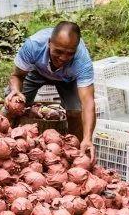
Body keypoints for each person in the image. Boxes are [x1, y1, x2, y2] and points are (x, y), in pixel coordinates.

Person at [6, 21, 97, 163]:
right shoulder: (34, 45)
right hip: (36, 71)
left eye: (69, 54)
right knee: (14, 106)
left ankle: (76, 154)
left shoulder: (82, 61)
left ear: (76, 49)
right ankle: (5, 145)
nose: (63, 58)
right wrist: (16, 91)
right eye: (58, 51)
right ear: (49, 43)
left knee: (75, 113)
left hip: (68, 79)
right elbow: (17, 75)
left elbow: (88, 103)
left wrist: (87, 138)